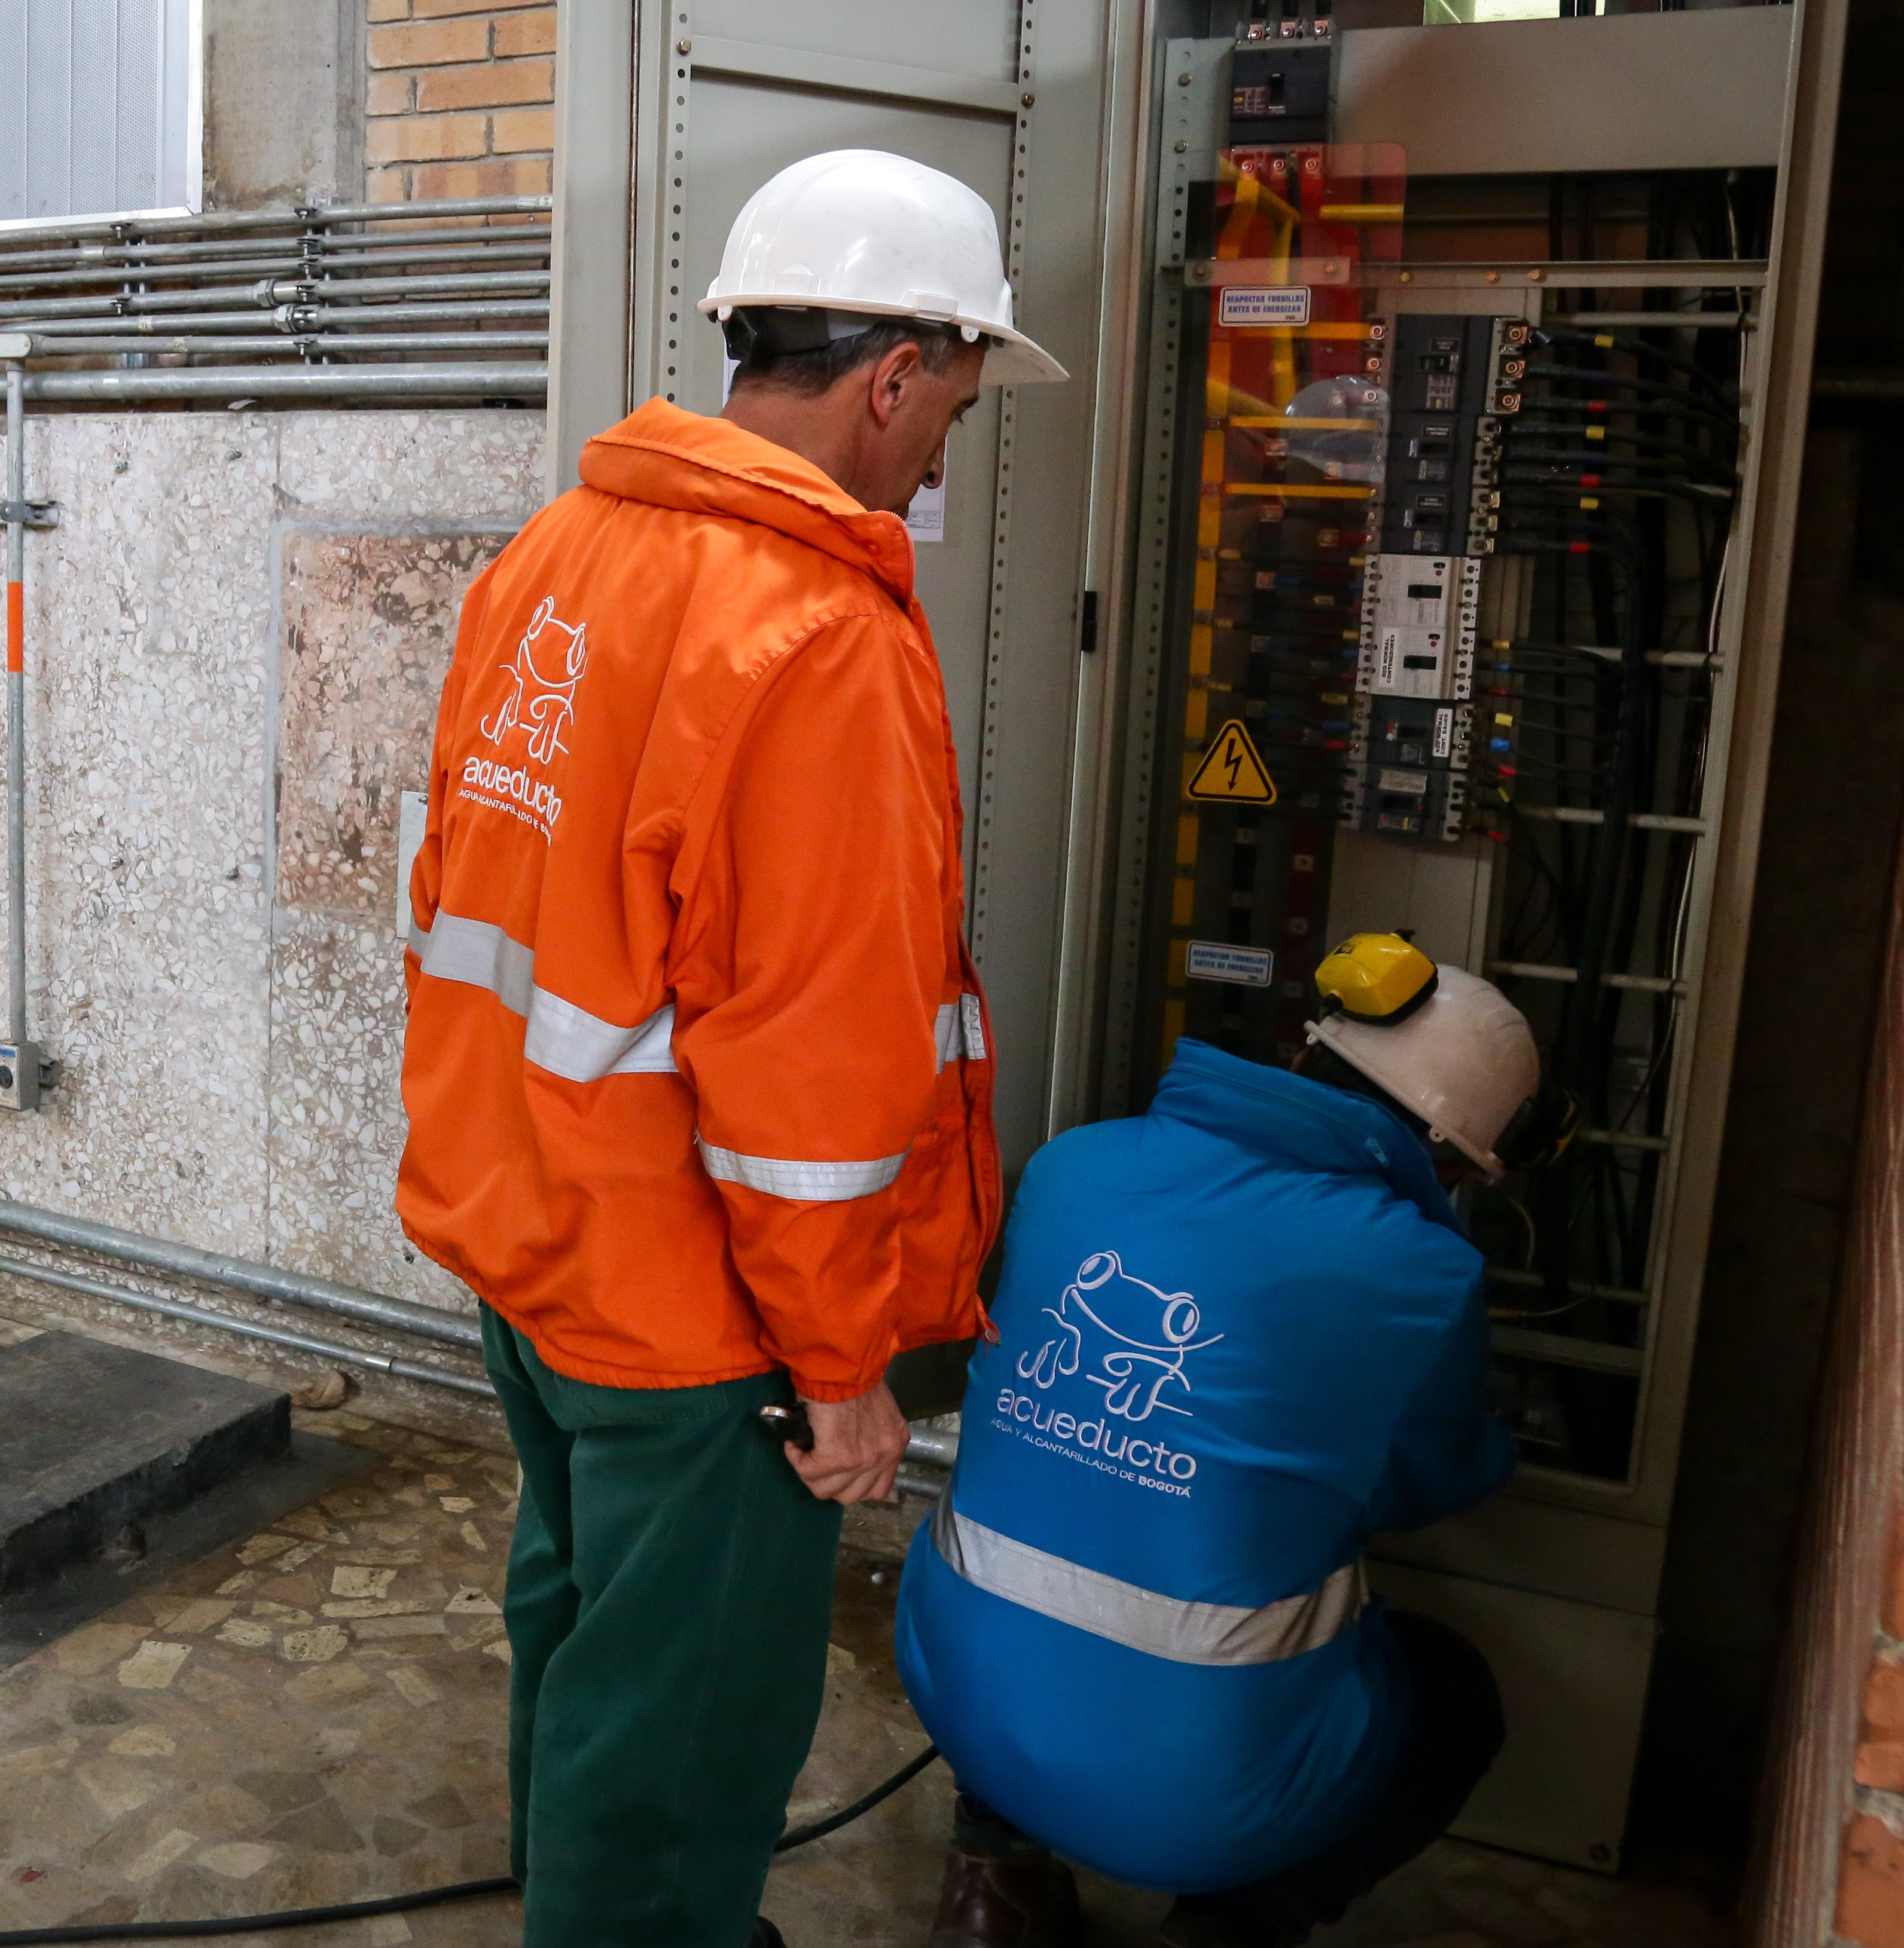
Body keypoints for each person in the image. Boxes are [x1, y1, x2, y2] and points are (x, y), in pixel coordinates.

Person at [394, 149, 1068, 1948]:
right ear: (893, 376)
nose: (941, 454)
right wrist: (838, 1367)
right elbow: (812, 1075)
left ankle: (598, 1907)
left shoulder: (558, 551)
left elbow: (473, 904)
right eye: (957, 406)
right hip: (703, 1324)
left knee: (581, 1627)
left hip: (537, 1255)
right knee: (688, 1721)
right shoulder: (814, 636)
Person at [898, 934, 1555, 1948]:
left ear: (1309, 1055)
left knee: (1054, 1538)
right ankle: (1230, 1930)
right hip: (1198, 1801)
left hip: (952, 1690)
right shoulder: (1422, 1274)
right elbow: (1427, 1478)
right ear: (1444, 1153)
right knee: (1453, 1697)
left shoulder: (1077, 1161)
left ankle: (993, 1889)